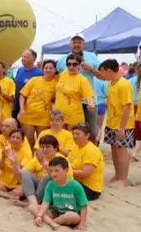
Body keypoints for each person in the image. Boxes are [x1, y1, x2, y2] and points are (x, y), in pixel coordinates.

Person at [56, 33, 102, 138]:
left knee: (91, 132)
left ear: (84, 44)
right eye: (74, 42)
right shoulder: (62, 60)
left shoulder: (92, 57)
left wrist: (91, 69)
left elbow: (103, 76)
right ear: (70, 44)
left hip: (87, 101)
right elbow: (55, 78)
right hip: (69, 103)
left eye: (79, 42)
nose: (77, 45)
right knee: (70, 132)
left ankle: (92, 153)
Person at [100, 59, 135, 187]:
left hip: (123, 124)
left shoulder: (124, 84)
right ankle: (117, 174)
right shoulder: (111, 84)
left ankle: (124, 179)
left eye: (103, 72)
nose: (102, 75)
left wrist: (122, 127)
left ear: (109, 70)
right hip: (111, 122)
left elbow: (127, 106)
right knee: (114, 149)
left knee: (121, 150)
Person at [33, 157, 88, 231]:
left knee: (72, 216)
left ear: (66, 171)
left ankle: (50, 222)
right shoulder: (50, 184)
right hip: (56, 212)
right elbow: (46, 202)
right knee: (33, 207)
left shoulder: (75, 185)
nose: (53, 173)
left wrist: (82, 223)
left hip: (71, 213)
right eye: (51, 171)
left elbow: (84, 206)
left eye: (57, 171)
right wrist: (39, 215)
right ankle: (52, 223)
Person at [19, 135, 66, 212]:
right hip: (40, 188)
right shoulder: (38, 158)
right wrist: (14, 162)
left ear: (55, 148)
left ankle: (32, 203)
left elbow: (61, 180)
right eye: (42, 147)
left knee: (47, 178)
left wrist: (43, 163)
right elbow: (21, 174)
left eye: (48, 147)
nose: (44, 149)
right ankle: (34, 203)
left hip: (57, 190)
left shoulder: (60, 159)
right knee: (25, 174)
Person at [18, 59, 58, 146]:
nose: (48, 70)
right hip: (28, 116)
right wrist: (22, 109)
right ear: (42, 69)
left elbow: (55, 100)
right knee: (29, 141)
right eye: (46, 68)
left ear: (55, 70)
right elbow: (22, 95)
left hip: (44, 118)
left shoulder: (56, 84)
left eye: (51, 68)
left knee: (42, 142)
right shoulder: (34, 80)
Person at [55, 53, 96, 129]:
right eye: (69, 64)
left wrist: (91, 104)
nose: (71, 66)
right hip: (59, 115)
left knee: (72, 139)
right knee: (60, 138)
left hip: (74, 117)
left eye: (74, 64)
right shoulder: (62, 74)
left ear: (80, 66)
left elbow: (89, 96)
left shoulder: (82, 80)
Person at [69, 124, 104, 201]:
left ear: (87, 135)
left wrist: (66, 172)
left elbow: (85, 173)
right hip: (77, 182)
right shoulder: (76, 146)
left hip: (90, 189)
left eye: (78, 134)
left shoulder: (91, 150)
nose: (74, 136)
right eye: (73, 134)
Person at [12, 48, 42, 119]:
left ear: (33, 59)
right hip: (16, 105)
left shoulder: (39, 73)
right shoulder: (20, 70)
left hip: (27, 108)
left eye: (25, 57)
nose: (22, 59)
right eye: (22, 56)